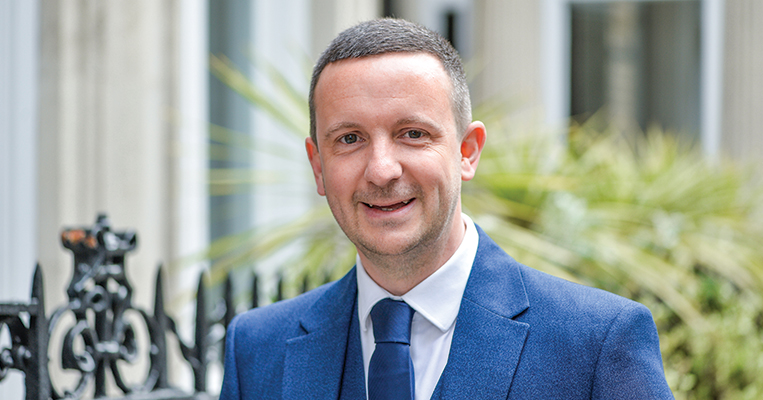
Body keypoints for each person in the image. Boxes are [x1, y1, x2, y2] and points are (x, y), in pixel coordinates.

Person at [220, 18, 674, 400]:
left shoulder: (597, 344)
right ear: (318, 167)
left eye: (412, 133)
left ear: (467, 152)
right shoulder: (258, 350)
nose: (381, 170)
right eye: (350, 139)